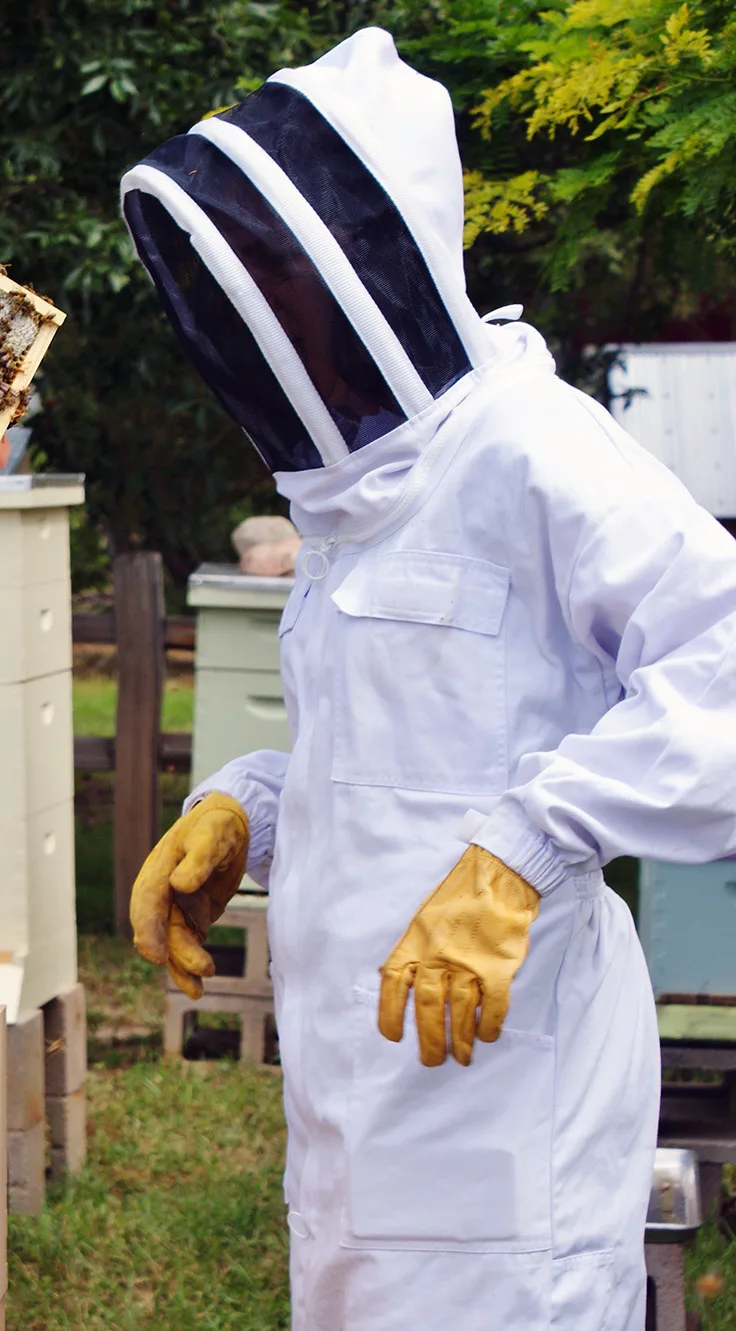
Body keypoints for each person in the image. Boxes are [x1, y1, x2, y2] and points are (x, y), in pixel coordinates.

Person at [120, 29, 736, 1329]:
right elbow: (411, 749)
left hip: (510, 1108)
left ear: (371, 261)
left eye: (283, 275)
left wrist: (526, 848)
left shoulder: (531, 448)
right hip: (359, 1108)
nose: (267, 314)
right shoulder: (354, 502)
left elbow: (720, 668)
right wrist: (252, 807)